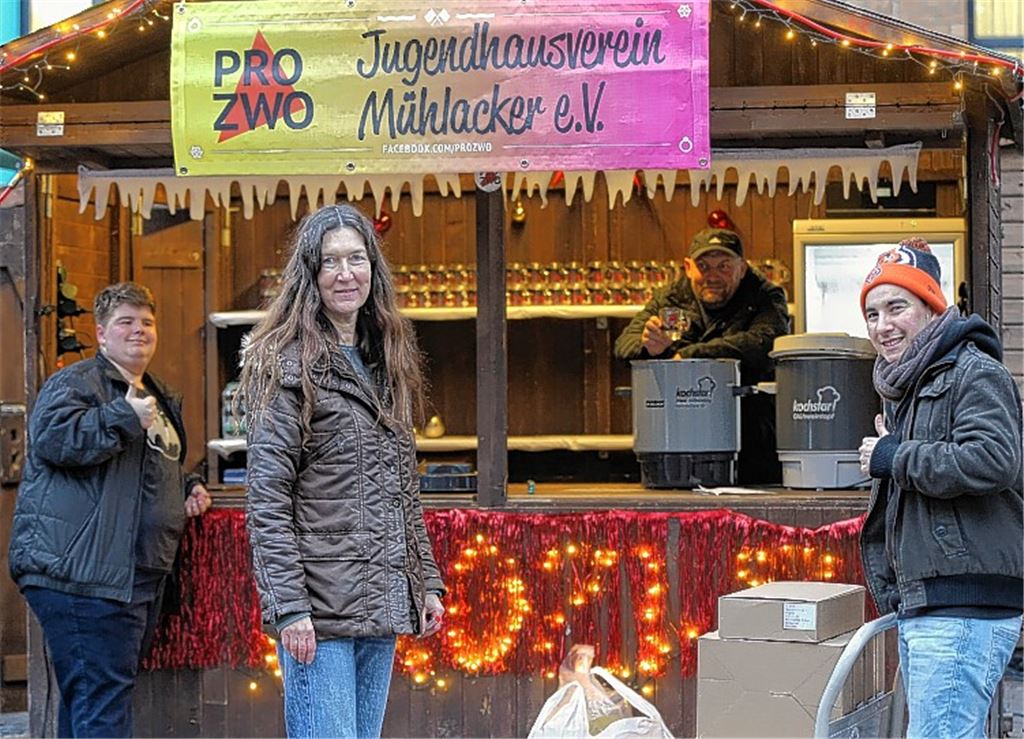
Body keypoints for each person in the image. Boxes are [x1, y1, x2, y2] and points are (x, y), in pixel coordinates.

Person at [240, 203, 446, 739]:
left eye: (356, 258)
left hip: (379, 600)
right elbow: (267, 500)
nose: (345, 273)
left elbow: (402, 491)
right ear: (309, 274)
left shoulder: (384, 361)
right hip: (319, 613)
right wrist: (289, 608)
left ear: (373, 269)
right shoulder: (287, 363)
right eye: (330, 261)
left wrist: (425, 582)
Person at [8, 281, 211, 738]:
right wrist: (122, 417)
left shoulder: (156, 393)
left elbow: (147, 466)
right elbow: (54, 441)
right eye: (126, 322)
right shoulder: (77, 382)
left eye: (147, 322)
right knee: (102, 705)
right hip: (85, 575)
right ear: (101, 333)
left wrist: (187, 485)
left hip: (130, 575)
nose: (138, 330)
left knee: (92, 700)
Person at [857, 238, 1023, 739]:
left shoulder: (974, 372)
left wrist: (894, 457)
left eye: (897, 308)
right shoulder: (909, 384)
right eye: (872, 314)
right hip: (934, 601)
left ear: (932, 308)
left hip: (962, 602)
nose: (882, 325)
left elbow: (993, 460)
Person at [614, 228, 790, 484]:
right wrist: (648, 345)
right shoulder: (670, 297)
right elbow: (624, 344)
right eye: (703, 266)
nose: (712, 276)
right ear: (688, 268)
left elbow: (766, 343)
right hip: (675, 446)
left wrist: (686, 355)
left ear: (742, 268)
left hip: (749, 440)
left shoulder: (765, 296)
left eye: (723, 266)